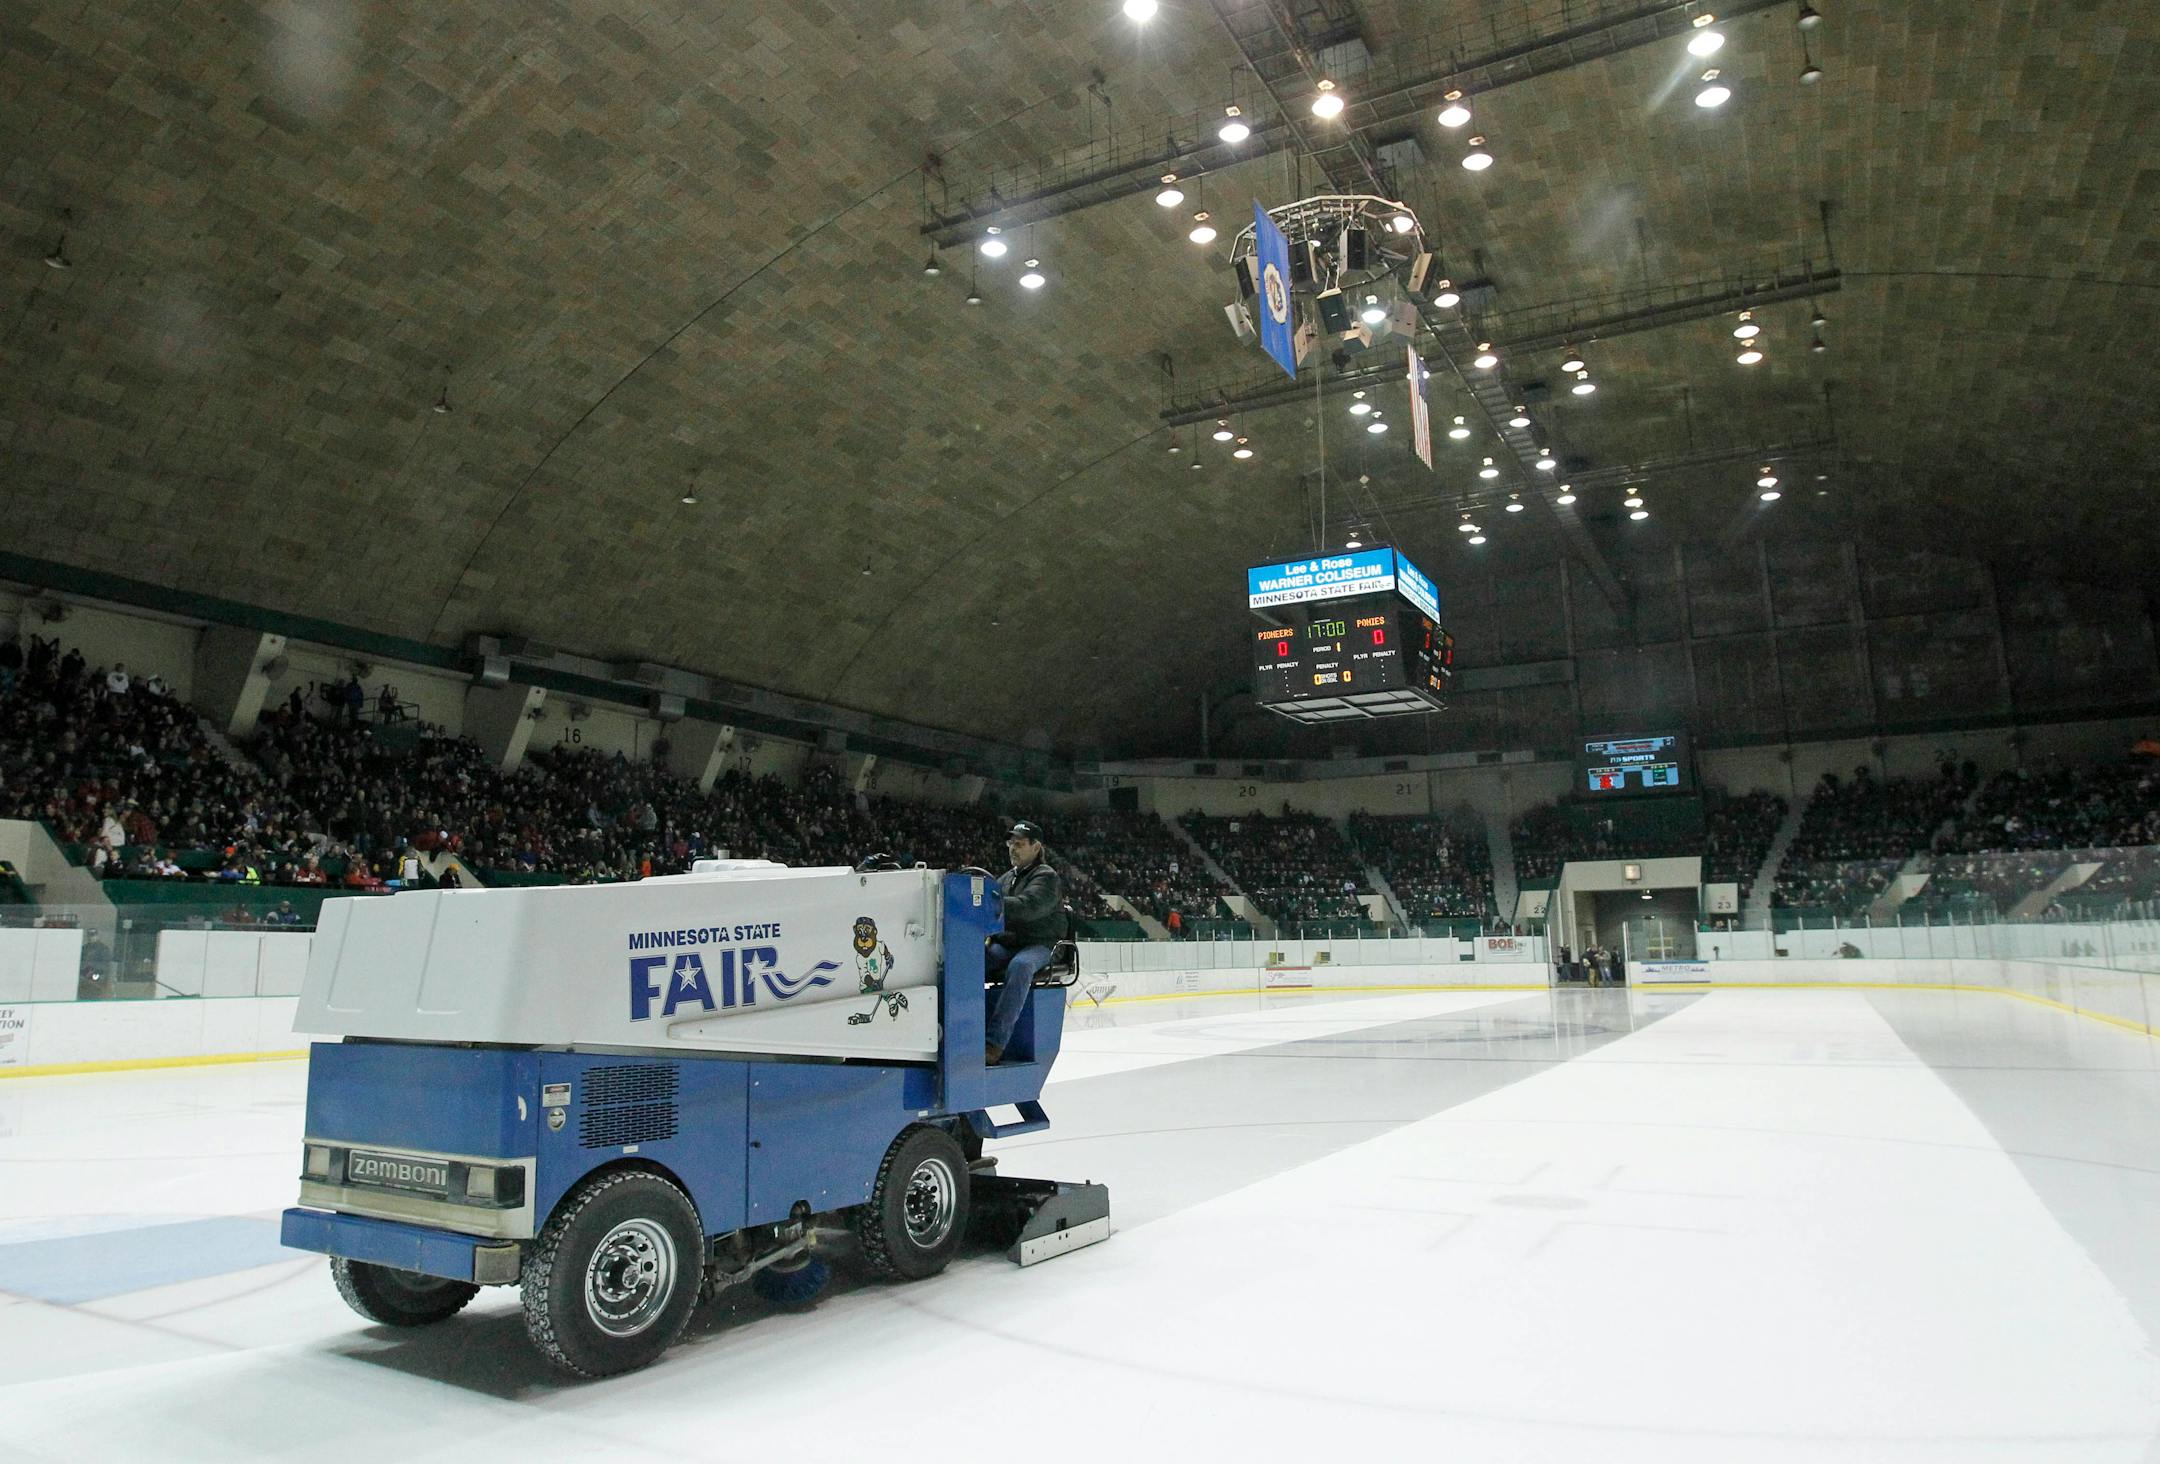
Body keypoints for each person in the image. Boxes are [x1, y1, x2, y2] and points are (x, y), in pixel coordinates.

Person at [984, 821, 1063, 1065]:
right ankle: (955, 1030)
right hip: (1008, 943)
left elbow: (1029, 907)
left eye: (1019, 844)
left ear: (1036, 847)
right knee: (968, 960)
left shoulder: (1046, 877)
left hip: (1040, 944)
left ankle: (995, 1042)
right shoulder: (1006, 878)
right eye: (1010, 844)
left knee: (1020, 966)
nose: (1012, 849)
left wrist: (988, 903)